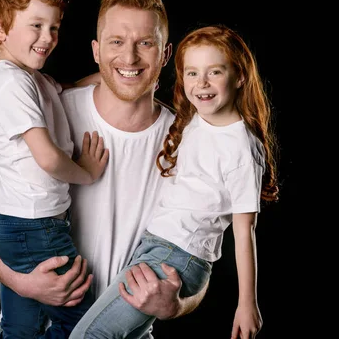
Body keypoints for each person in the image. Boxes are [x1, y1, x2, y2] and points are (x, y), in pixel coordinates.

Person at [0, 0, 208, 338]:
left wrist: (176, 304)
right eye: (116, 42)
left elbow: (199, 254)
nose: (130, 58)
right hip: (45, 325)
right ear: (96, 51)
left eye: (145, 43)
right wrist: (20, 283)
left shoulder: (189, 142)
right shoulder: (53, 114)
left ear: (165, 54)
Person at [70, 24, 279, 338]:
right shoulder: (196, 117)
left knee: (89, 335)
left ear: (239, 76)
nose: (202, 84)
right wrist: (60, 89)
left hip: (179, 256)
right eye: (192, 73)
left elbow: (244, 229)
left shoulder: (242, 147)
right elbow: (125, 83)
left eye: (215, 72)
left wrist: (247, 303)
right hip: (154, 246)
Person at [0, 0, 109, 338]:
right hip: (33, 226)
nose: (47, 37)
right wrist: (87, 172)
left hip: (19, 224)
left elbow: (66, 91)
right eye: (35, 25)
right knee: (81, 317)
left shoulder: (31, 79)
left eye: (53, 27)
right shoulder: (9, 83)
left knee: (23, 324)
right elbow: (48, 158)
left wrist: (110, 74)